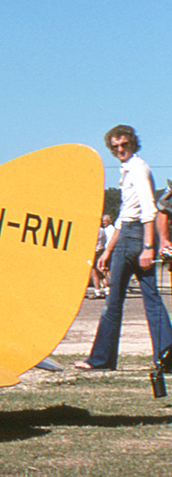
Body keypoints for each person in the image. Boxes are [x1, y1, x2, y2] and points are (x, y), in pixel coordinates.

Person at [75, 126, 172, 372]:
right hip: (129, 233)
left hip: (136, 237)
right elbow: (124, 215)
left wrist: (149, 247)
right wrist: (107, 251)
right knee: (149, 298)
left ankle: (101, 359)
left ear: (133, 144)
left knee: (115, 301)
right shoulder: (129, 168)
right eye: (115, 146)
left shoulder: (138, 169)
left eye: (124, 145)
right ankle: (167, 359)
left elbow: (150, 210)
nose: (120, 150)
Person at [89, 214, 113, 299]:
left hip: (96, 252)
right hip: (102, 250)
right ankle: (107, 290)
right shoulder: (103, 230)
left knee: (95, 273)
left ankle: (98, 291)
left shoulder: (96, 231)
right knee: (102, 272)